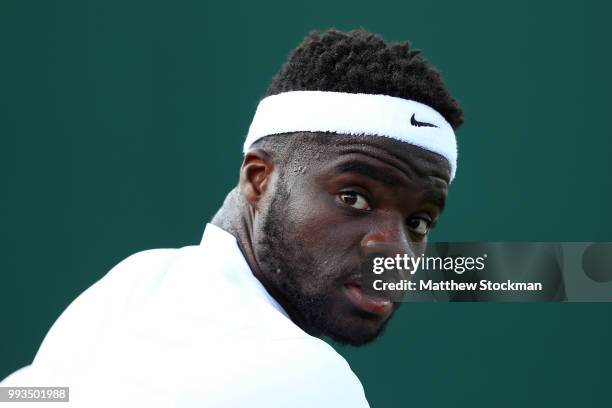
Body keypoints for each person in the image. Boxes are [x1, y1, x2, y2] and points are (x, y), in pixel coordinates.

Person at [1, 28, 464, 407]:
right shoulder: (304, 377)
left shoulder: (131, 285)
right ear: (259, 179)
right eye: (354, 198)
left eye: (419, 222)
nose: (394, 250)